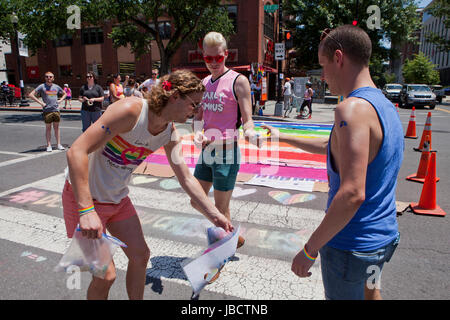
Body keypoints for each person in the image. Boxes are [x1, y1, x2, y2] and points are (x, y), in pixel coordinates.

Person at [63, 70, 233, 300]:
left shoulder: (169, 133)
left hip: (117, 199)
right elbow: (76, 152)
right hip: (84, 199)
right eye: (194, 104)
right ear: (175, 96)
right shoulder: (131, 111)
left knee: (141, 256)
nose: (198, 111)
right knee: (106, 276)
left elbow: (185, 177)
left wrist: (215, 215)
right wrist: (86, 210)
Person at [262, 25, 403, 300]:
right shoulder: (383, 105)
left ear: (339, 58)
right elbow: (334, 147)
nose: (323, 76)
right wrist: (282, 138)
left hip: (350, 245)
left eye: (323, 66)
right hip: (381, 240)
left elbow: (352, 193)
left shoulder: (350, 109)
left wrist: (309, 249)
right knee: (371, 294)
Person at [191, 31, 261, 249]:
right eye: (208, 58)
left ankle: (218, 256)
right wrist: (197, 133)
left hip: (226, 153)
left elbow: (248, 120)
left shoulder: (238, 82)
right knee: (196, 200)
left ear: (226, 55)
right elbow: (198, 117)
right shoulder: (203, 83)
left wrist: (250, 133)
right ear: (203, 56)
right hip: (207, 151)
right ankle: (232, 236)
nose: (213, 63)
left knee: (221, 209)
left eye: (218, 58)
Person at [28, 71, 67, 152]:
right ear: (45, 78)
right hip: (47, 110)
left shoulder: (56, 87)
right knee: (48, 128)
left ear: (53, 78)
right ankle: (49, 145)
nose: (48, 78)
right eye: (47, 76)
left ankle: (58, 144)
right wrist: (41, 103)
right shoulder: (42, 86)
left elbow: (65, 94)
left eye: (50, 77)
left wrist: (61, 100)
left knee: (56, 128)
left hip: (56, 110)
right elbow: (31, 94)